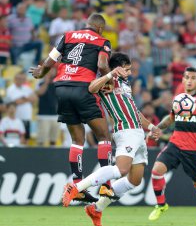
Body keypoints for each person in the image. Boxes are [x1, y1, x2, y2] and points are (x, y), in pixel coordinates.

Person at [29, 13, 128, 203]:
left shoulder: (68, 36)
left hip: (62, 88)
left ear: (86, 25)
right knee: (103, 137)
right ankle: (106, 186)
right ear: (100, 28)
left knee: (77, 140)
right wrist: (108, 80)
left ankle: (77, 185)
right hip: (84, 88)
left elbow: (50, 61)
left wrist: (40, 72)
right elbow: (101, 64)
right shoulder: (102, 40)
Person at [61, 53, 161, 226]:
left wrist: (151, 126)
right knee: (121, 170)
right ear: (118, 67)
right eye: (127, 69)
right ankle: (76, 187)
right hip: (125, 131)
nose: (129, 72)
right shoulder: (109, 81)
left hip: (138, 132)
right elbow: (92, 88)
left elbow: (135, 111)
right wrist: (110, 73)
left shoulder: (125, 83)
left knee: (134, 180)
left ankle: (96, 208)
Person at [148, 67, 196, 226]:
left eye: (193, 78)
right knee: (156, 171)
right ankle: (161, 205)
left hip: (194, 151)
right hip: (175, 145)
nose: (189, 80)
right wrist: (156, 128)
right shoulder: (178, 99)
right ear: (182, 80)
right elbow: (170, 120)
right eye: (187, 77)